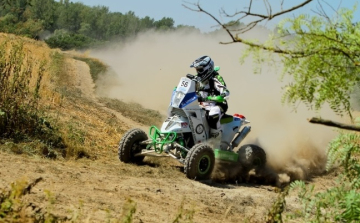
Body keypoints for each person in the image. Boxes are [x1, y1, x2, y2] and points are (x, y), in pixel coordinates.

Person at [190, 55, 230, 140]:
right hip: (201, 105)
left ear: (207, 68)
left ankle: (216, 141)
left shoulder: (216, 78)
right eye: (197, 70)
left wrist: (220, 96)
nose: (198, 72)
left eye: (200, 70)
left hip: (216, 105)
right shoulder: (196, 79)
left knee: (213, 115)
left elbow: (226, 91)